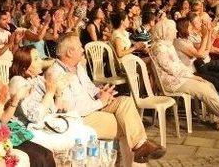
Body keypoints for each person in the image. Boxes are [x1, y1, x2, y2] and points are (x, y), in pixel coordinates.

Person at [48, 35, 165, 163]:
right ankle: (140, 146)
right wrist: (100, 102)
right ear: (70, 52)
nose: (83, 50)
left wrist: (100, 93)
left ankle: (140, 145)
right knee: (128, 125)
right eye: (80, 47)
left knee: (126, 102)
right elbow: (71, 108)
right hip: (80, 118)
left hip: (94, 106)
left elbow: (89, 87)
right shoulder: (55, 74)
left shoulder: (78, 67)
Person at [150, 18, 219, 130]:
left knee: (209, 85)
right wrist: (193, 76)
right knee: (205, 89)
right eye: (172, 29)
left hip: (179, 78)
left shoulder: (167, 45)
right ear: (166, 31)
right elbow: (172, 69)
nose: (175, 32)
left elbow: (179, 65)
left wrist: (193, 76)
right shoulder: (160, 47)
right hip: (172, 82)